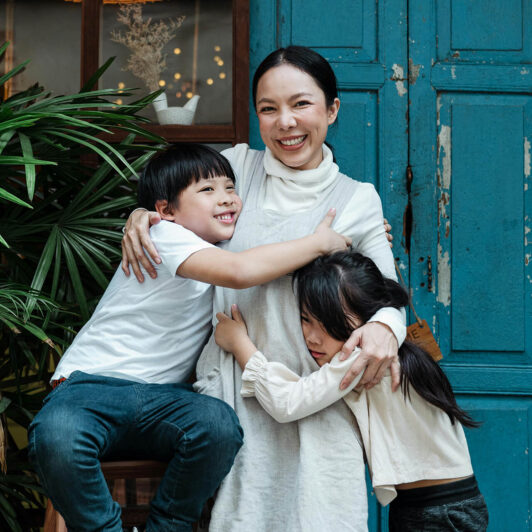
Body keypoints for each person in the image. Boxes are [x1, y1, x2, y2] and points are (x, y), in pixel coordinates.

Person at [122, 46, 406, 530]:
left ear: (332, 109)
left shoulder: (356, 199)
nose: (285, 123)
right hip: (233, 396)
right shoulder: (235, 169)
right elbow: (175, 202)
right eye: (268, 109)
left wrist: (384, 329)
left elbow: (391, 296)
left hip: (316, 398)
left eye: (301, 104)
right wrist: (143, 214)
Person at [28, 143, 351, 532]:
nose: (226, 199)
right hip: (92, 387)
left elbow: (263, 252)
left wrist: (358, 235)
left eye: (230, 188)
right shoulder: (163, 236)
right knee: (56, 437)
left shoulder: (220, 247)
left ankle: (168, 527)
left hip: (166, 399)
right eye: (207, 190)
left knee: (218, 426)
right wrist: (320, 242)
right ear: (166, 211)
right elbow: (240, 271)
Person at [215, 250, 489, 532]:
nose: (312, 337)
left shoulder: (360, 357)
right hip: (435, 504)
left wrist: (240, 345)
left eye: (330, 323)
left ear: (368, 318)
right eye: (306, 319)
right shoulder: (394, 352)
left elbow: (288, 402)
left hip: (438, 512)